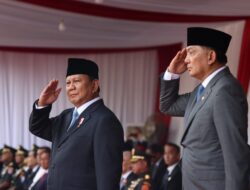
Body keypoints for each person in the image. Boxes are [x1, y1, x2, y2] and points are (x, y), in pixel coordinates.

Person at [159, 27, 250, 190]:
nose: (186, 60)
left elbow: (235, 155)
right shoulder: (202, 90)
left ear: (211, 56)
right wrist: (172, 73)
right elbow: (168, 106)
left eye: (191, 52)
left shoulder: (225, 90)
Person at [29, 58, 124, 190]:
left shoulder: (104, 120)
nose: (71, 87)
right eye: (68, 83)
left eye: (77, 81)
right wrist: (43, 104)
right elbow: (37, 127)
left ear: (94, 85)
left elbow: (107, 176)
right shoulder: (66, 116)